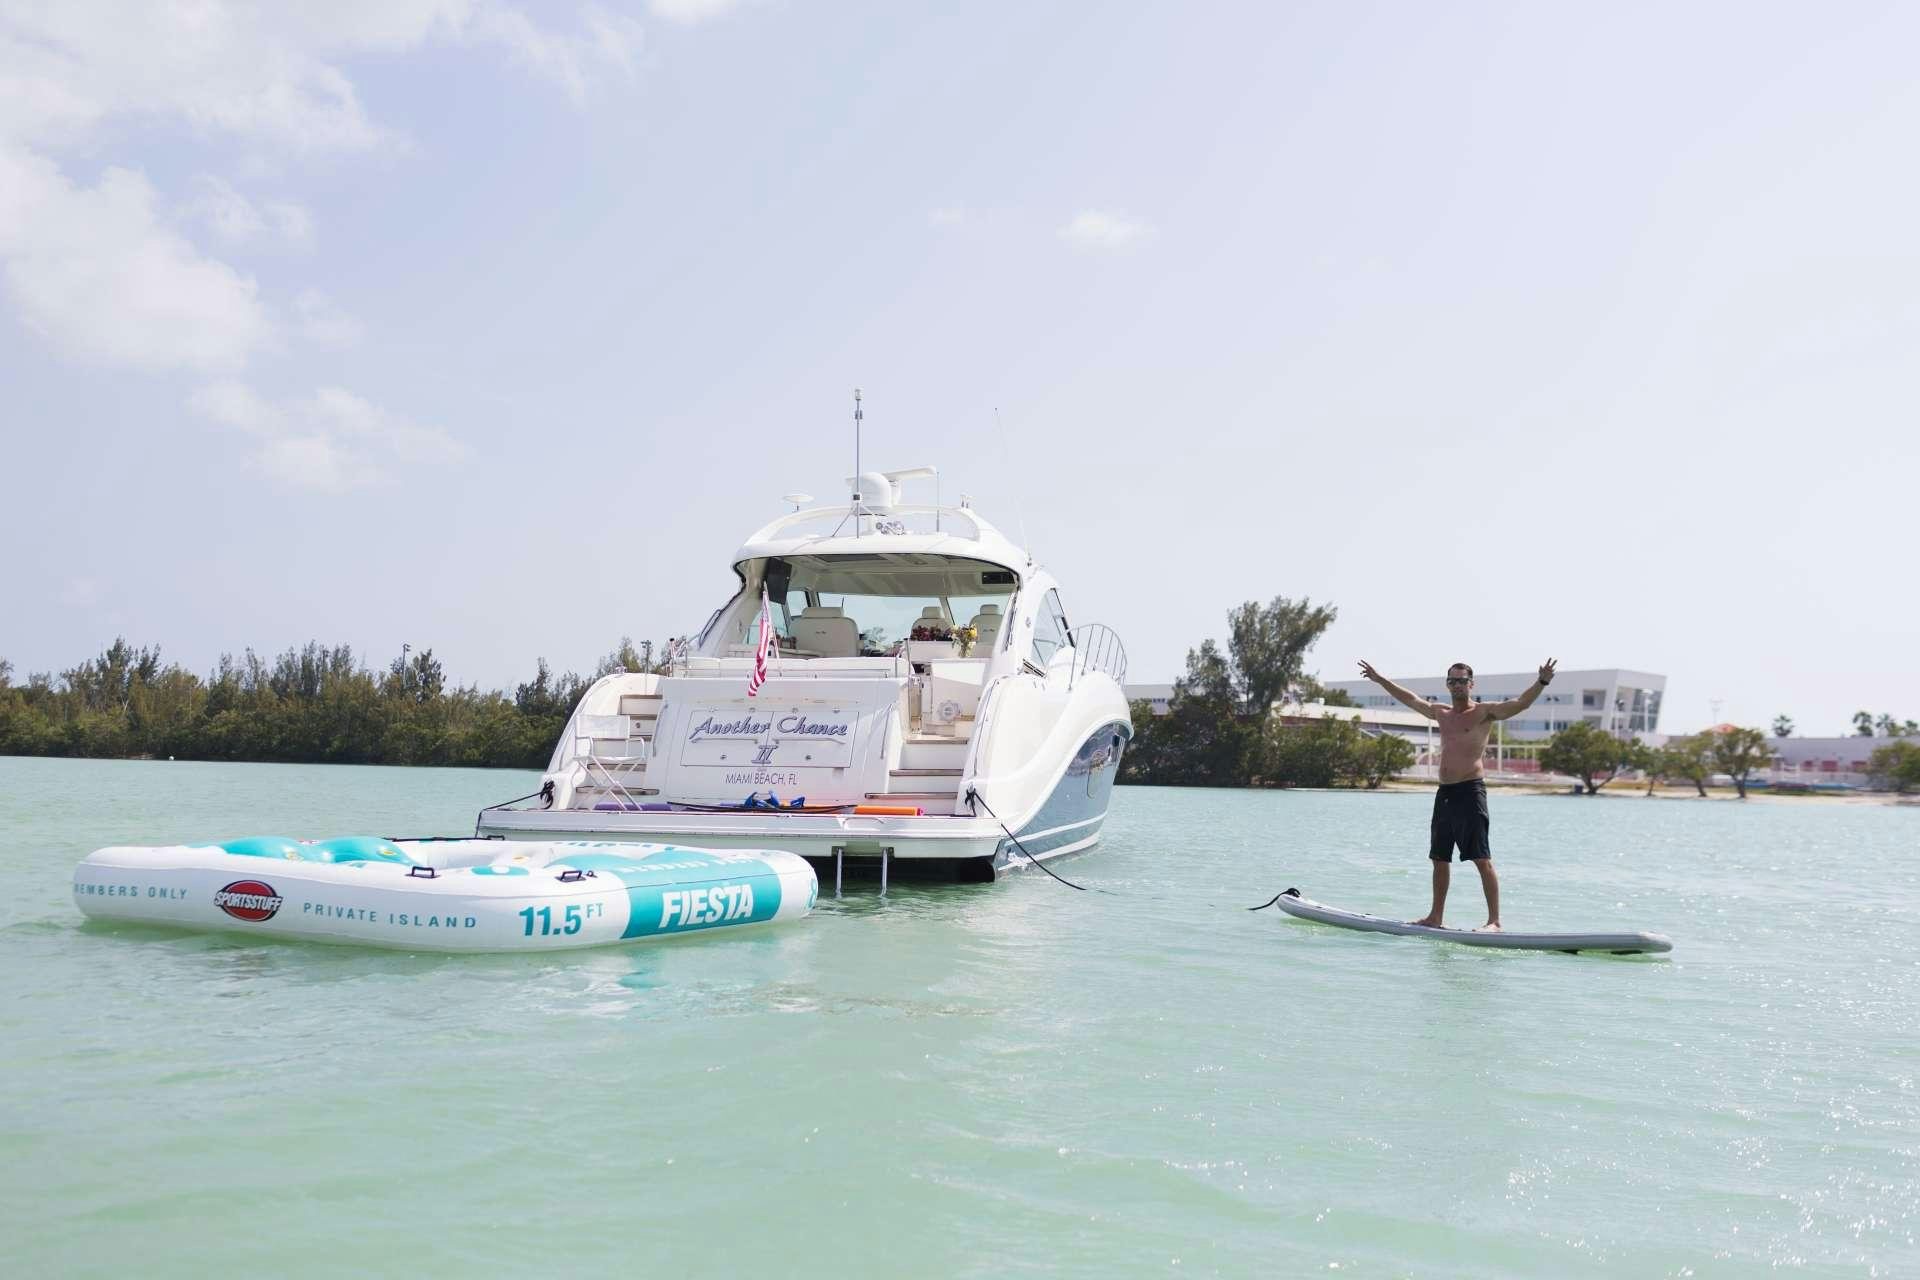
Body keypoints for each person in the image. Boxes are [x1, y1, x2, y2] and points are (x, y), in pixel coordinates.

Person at [1354, 658, 1558, 930]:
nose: (1457, 685)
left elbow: (1521, 703)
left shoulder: (1485, 712)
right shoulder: (1441, 713)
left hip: (1470, 792)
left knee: (1481, 858)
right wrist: (1380, 680)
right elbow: (1410, 699)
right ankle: (1435, 918)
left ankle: (1494, 921)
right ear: (1447, 684)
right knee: (1439, 857)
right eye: (1452, 680)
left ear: (1471, 684)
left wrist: (1542, 681)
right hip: (1445, 793)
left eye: (1462, 680)